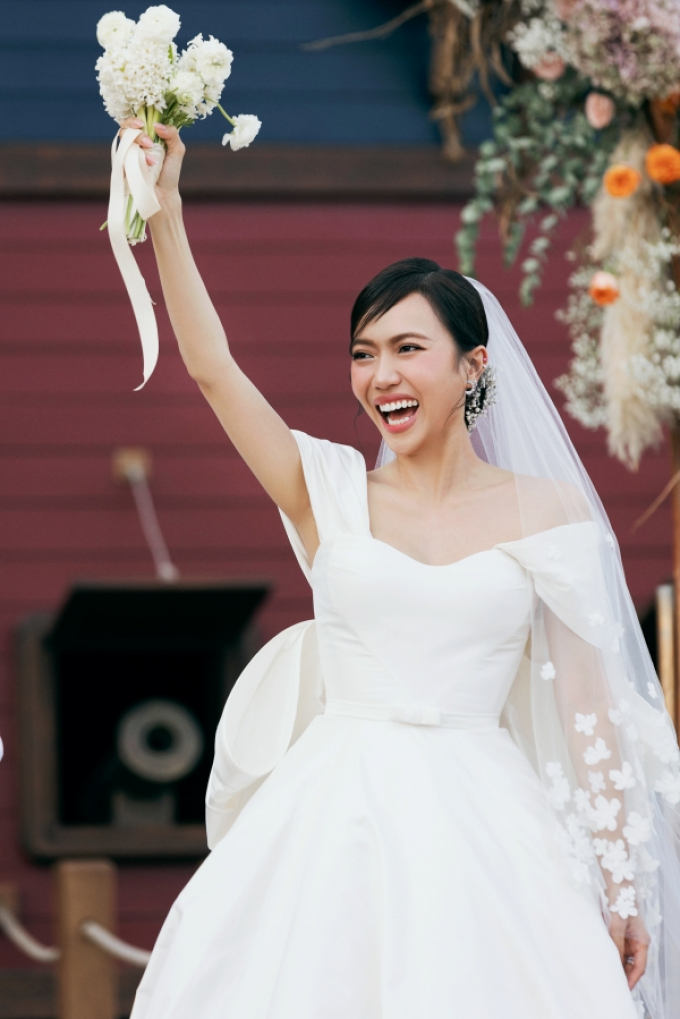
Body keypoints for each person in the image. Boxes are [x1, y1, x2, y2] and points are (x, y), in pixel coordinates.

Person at [122, 119, 680, 1019]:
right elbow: (213, 368)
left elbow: (589, 714)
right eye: (363, 353)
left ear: (473, 366)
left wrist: (621, 884)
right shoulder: (328, 490)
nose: (381, 375)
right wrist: (166, 210)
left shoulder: (550, 513)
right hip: (330, 817)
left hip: (489, 827)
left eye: (407, 349)